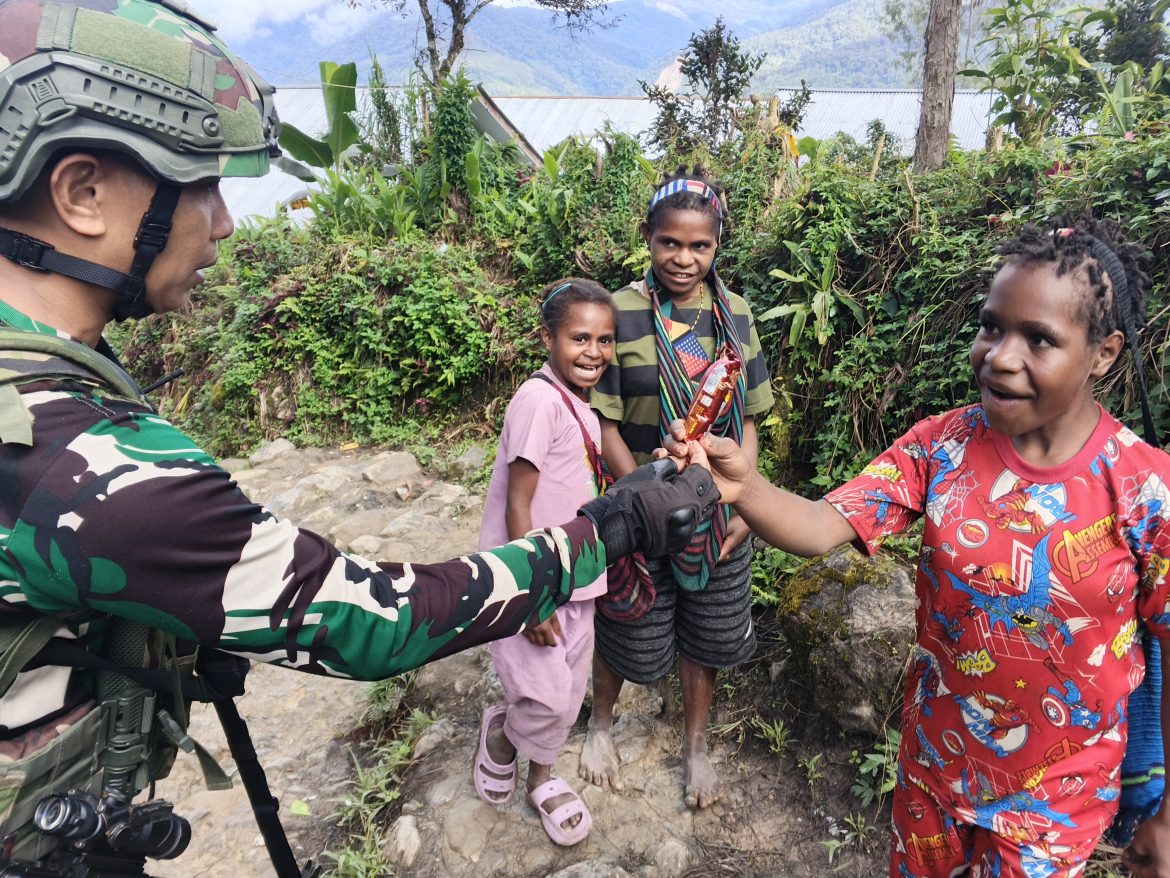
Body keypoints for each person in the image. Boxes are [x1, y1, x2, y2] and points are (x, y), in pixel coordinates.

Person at [0, 2, 717, 873]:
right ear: (82, 194)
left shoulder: (51, 377)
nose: (224, 225)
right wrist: (613, 525)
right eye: (204, 185)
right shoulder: (70, 456)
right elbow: (371, 620)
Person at [670, 214, 1170, 877]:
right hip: (934, 769)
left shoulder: (1145, 492)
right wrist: (745, 487)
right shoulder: (943, 445)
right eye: (992, 326)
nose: (1000, 355)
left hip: (1059, 801)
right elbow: (822, 527)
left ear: (1103, 354)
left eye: (1039, 338)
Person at [580, 167, 775, 809]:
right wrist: (634, 496)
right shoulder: (622, 311)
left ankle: (695, 747)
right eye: (670, 243)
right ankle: (600, 723)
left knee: (709, 628)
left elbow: (746, 420)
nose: (683, 259)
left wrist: (740, 500)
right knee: (628, 618)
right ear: (649, 238)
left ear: (717, 246)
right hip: (640, 504)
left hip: (716, 505)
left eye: (700, 246)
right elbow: (606, 420)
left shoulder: (734, 315)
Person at [473, 278, 616, 846]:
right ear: (548, 339)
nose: (594, 352)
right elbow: (519, 502)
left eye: (605, 340)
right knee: (547, 695)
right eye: (579, 338)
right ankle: (503, 738)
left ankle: (540, 776)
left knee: (569, 687)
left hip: (577, 573)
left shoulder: (578, 402)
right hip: (530, 582)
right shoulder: (537, 400)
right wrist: (530, 597)